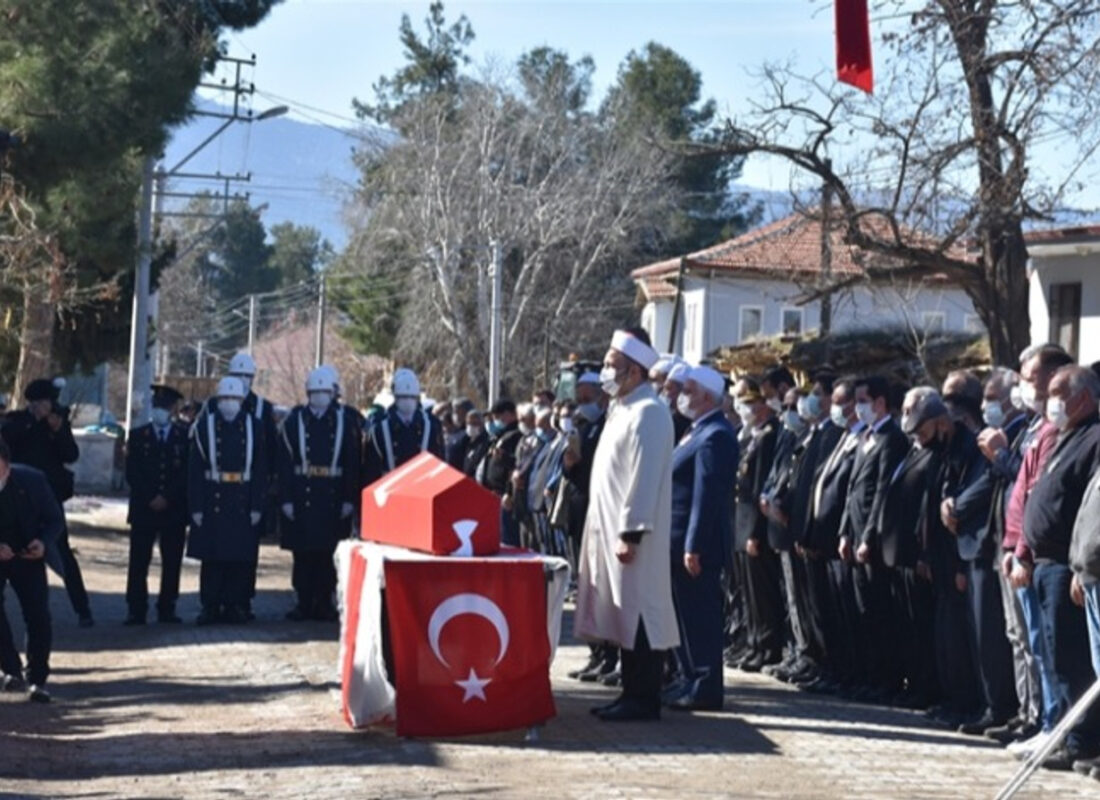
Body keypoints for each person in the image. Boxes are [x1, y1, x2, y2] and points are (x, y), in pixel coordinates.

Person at [576, 328, 678, 722]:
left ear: (634, 371)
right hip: (610, 529)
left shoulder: (649, 412)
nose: (605, 372)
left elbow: (644, 478)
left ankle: (643, 697)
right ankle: (630, 691)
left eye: (611, 365)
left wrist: (631, 532)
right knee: (623, 614)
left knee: (640, 615)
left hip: (634, 536)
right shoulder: (623, 409)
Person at [1021, 365, 1100, 771]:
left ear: (1083, 398)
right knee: (1053, 655)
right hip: (1046, 562)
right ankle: (1069, 733)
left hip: (1069, 566)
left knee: (1072, 659)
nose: (1050, 402)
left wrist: (1078, 567)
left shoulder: (1094, 438)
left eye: (1058, 393)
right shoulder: (1066, 436)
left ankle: (1083, 739)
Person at [1003, 344, 1076, 759]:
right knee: (1035, 642)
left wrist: (1024, 550)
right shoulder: (1038, 427)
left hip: (1045, 557)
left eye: (1031, 379)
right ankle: (1048, 722)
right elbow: (1024, 493)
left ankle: (1056, 724)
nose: (1025, 388)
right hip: (1023, 551)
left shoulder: (1057, 432)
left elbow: (1040, 493)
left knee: (1050, 649)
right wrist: (1012, 544)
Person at [665, 366, 738, 711]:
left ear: (707, 397)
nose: (682, 396)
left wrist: (693, 545)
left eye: (689, 390)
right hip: (677, 541)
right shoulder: (696, 431)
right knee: (683, 615)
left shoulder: (716, 435)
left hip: (695, 546)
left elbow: (705, 496)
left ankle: (705, 685)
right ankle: (688, 678)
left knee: (699, 617)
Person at [976, 367, 1040, 745]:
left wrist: (1000, 453)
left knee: (1031, 640)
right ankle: (1025, 710)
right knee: (1015, 634)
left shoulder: (1034, 432)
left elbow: (1028, 484)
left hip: (1028, 549)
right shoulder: (1027, 429)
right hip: (1009, 544)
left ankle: (1039, 715)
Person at [1, 378, 91, 626]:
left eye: (45, 403)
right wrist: (32, 421)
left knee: (62, 552)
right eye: (37, 403)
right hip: (16, 498)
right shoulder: (18, 421)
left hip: (47, 499)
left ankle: (82, 609)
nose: (41, 408)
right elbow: (7, 440)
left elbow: (71, 454)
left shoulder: (58, 423)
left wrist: (58, 430)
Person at [844, 374, 909, 703]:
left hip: (874, 538)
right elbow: (853, 488)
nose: (858, 408)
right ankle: (868, 674)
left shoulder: (891, 438)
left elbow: (882, 491)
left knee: (881, 612)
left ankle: (886, 678)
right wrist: (845, 532)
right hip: (854, 532)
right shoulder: (865, 437)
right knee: (863, 611)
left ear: (880, 403)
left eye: (863, 401)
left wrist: (868, 537)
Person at [278, 368, 362, 621]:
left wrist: (349, 498)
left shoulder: (344, 422)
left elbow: (352, 463)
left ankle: (325, 601)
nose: (320, 397)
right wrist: (286, 498)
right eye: (315, 392)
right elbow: (285, 464)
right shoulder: (293, 421)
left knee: (328, 553)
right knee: (303, 553)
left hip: (331, 495)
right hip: (302, 494)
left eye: (325, 392)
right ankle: (303, 601)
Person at [187, 377, 268, 624]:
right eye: (224, 398)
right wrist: (196, 506)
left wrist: (257, 505)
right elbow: (195, 470)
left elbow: (260, 470)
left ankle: (236, 605)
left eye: (234, 398)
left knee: (239, 558)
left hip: (242, 498)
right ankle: (210, 606)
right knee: (212, 559)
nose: (229, 403)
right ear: (217, 400)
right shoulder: (204, 427)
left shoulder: (255, 427)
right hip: (214, 497)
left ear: (242, 400)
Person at [0, 439, 64, 703]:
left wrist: (43, 542)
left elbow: (55, 519)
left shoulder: (33, 481)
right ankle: (10, 669)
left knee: (38, 614)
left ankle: (37, 678)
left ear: (7, 465)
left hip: (28, 554)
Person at [123, 385, 189, 625]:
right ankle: (136, 608)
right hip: (144, 508)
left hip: (173, 509)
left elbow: (185, 474)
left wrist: (167, 497)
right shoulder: (138, 436)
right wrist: (151, 496)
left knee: (171, 561)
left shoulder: (184, 437)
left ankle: (167, 607)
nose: (160, 411)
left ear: (173, 410)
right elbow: (132, 473)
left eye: (165, 407)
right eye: (157, 406)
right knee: (139, 560)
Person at [731, 379, 783, 672]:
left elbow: (759, 485)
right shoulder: (752, 435)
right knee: (748, 592)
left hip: (754, 526)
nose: (746, 408)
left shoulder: (767, 436)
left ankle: (766, 646)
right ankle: (753, 643)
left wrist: (754, 532)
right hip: (741, 522)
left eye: (751, 402)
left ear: (763, 405)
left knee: (761, 593)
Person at [362, 368, 444, 485]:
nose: (407, 401)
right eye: (403, 397)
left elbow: (439, 465)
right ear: (395, 397)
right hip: (390, 489)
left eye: (412, 397)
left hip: (422, 488)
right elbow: (371, 470)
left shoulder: (431, 426)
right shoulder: (379, 429)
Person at [461, 410, 491, 479]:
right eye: (468, 424)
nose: (471, 427)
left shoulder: (486, 442)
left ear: (482, 424)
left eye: (474, 423)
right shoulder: (467, 441)